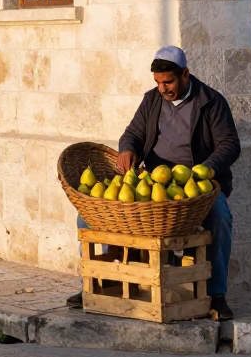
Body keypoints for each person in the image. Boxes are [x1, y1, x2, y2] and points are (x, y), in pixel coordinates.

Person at [68, 46, 241, 321]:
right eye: (158, 83)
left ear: (185, 74)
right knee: (86, 219)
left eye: (168, 82)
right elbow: (132, 133)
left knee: (220, 217)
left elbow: (230, 145)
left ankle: (217, 295)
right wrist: (127, 149)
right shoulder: (151, 101)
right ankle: (94, 284)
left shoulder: (211, 101)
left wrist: (207, 169)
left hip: (196, 186)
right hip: (151, 183)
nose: (163, 88)